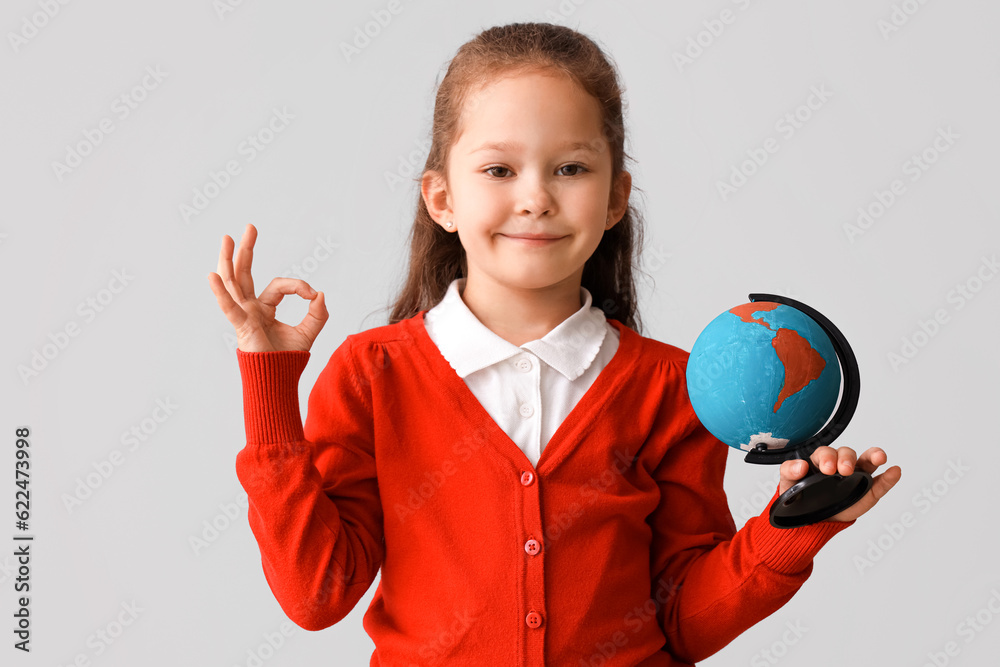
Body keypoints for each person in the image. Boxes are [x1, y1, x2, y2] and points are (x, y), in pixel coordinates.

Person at [207, 22, 901, 666]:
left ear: (615, 196)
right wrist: (269, 383)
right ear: (441, 198)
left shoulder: (670, 387)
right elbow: (316, 593)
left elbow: (684, 620)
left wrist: (787, 531)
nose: (535, 197)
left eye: (570, 168)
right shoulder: (373, 373)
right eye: (499, 170)